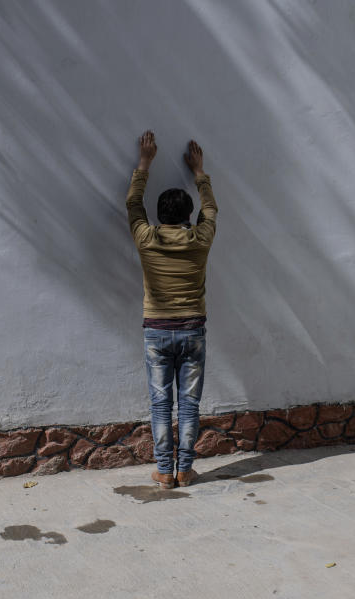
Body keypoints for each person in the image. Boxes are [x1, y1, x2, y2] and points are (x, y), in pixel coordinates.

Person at [125, 130, 218, 489]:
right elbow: (211, 208)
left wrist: (145, 163)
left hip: (157, 332)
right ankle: (185, 469)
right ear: (188, 216)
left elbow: (133, 203)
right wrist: (199, 172)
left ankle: (164, 471)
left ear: (160, 215)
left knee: (161, 405)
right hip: (193, 330)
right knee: (190, 404)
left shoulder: (147, 239)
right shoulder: (201, 239)